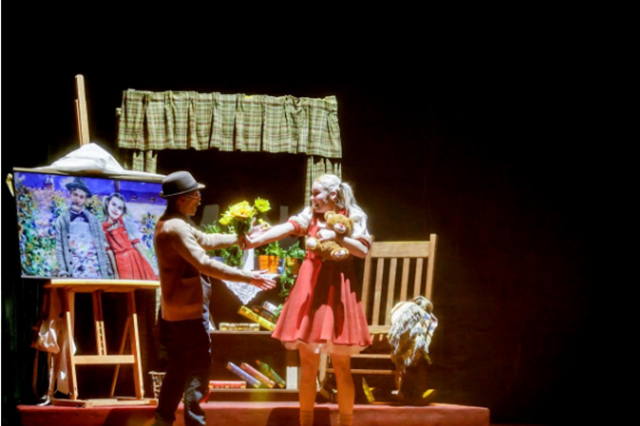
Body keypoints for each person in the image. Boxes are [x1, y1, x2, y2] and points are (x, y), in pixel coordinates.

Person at [247, 173, 372, 426]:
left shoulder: (353, 215)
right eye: (312, 194)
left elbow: (362, 251)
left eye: (316, 194)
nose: (312, 198)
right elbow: (284, 229)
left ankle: (345, 422)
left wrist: (337, 238)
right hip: (311, 288)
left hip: (337, 288)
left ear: (333, 195)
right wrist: (253, 240)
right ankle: (306, 422)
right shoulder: (310, 216)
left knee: (342, 366)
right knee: (308, 365)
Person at [152, 171, 275, 426]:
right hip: (188, 311)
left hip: (178, 310)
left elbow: (206, 240)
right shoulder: (175, 227)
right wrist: (248, 277)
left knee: (178, 367)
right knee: (199, 367)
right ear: (182, 199)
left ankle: (162, 420)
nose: (199, 199)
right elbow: (204, 263)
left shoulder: (174, 222)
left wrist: (240, 240)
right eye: (195, 194)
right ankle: (194, 422)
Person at [55, 176, 113, 278]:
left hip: (94, 268)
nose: (77, 200)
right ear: (70, 193)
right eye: (75, 195)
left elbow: (101, 245)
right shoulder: (62, 220)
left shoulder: (94, 220)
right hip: (75, 269)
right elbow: (59, 248)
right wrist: (63, 271)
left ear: (86, 199)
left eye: (81, 197)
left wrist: (108, 270)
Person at [102, 192, 158, 280]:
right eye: (114, 204)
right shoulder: (102, 228)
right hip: (121, 264)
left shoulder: (124, 221)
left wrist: (152, 266)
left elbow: (137, 245)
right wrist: (115, 274)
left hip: (135, 259)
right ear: (107, 203)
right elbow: (110, 253)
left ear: (122, 211)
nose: (115, 209)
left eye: (119, 208)